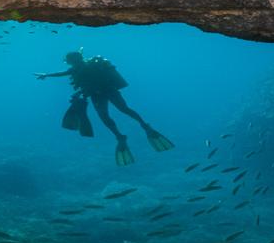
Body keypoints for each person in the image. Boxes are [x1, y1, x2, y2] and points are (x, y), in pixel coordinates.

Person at [37, 51, 174, 165]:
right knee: (115, 113)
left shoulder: (86, 66)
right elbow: (64, 73)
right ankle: (136, 129)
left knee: (117, 112)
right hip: (104, 93)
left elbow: (64, 73)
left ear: (72, 60)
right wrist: (47, 75)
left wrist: (47, 75)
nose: (71, 63)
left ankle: (127, 133)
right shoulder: (81, 67)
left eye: (70, 61)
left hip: (105, 92)